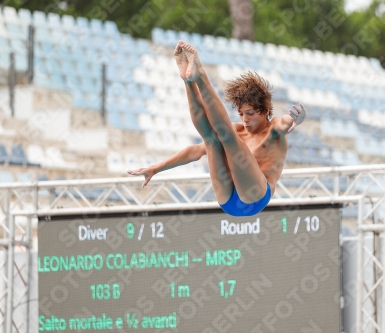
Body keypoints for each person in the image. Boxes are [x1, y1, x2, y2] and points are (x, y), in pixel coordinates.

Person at [128, 40, 306, 216]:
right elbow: (194, 152)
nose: (245, 119)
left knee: (228, 137)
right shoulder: (239, 130)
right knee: (212, 139)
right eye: (242, 114)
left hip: (255, 197)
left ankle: (201, 75)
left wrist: (298, 118)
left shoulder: (274, 129)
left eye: (250, 113)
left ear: (265, 111)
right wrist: (156, 168)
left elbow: (287, 121)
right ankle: (188, 80)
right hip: (228, 201)